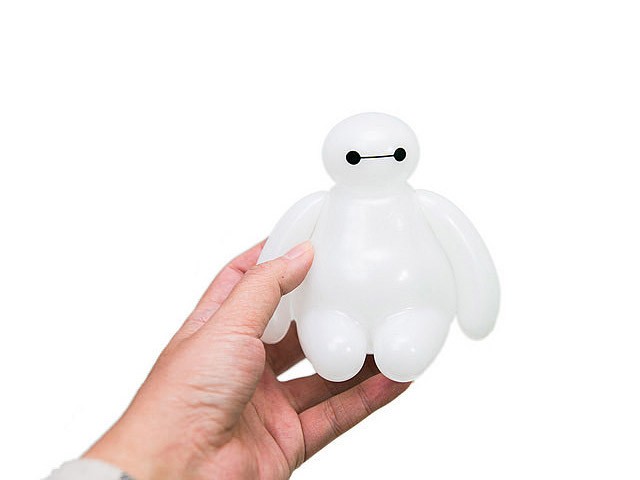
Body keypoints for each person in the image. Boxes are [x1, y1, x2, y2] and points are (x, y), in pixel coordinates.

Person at [46, 240, 410, 480]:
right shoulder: (324, 207)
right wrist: (277, 315)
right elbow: (287, 248)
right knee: (339, 355)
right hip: (330, 316)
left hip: (405, 305)